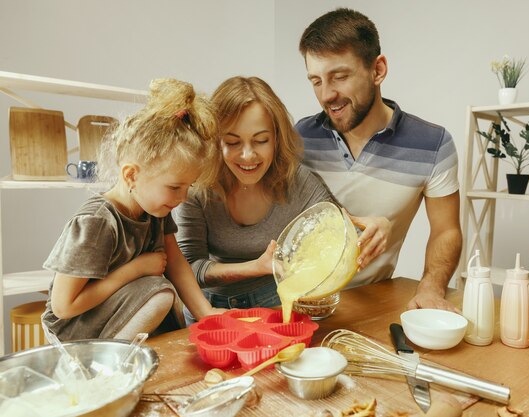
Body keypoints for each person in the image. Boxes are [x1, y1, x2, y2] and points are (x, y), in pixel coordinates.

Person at [174, 76, 387, 323]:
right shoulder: (197, 187)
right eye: (232, 142)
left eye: (261, 140)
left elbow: (341, 233)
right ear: (215, 141)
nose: (247, 155)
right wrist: (255, 267)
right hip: (207, 308)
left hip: (273, 303)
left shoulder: (297, 181)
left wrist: (379, 226)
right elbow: (189, 269)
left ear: (277, 138)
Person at [296, 8, 462, 312]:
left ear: (378, 70)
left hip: (373, 303)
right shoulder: (298, 139)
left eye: (339, 77)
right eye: (316, 81)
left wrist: (431, 288)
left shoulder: (434, 144)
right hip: (302, 302)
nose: (326, 95)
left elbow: (446, 230)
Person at [41, 79, 225, 341]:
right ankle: (107, 368)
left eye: (189, 187)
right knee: (159, 292)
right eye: (175, 187)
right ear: (131, 175)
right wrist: (134, 269)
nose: (183, 198)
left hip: (117, 314)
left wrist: (205, 312)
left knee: (164, 293)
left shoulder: (154, 211)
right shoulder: (97, 222)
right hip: (74, 333)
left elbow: (175, 262)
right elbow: (63, 306)